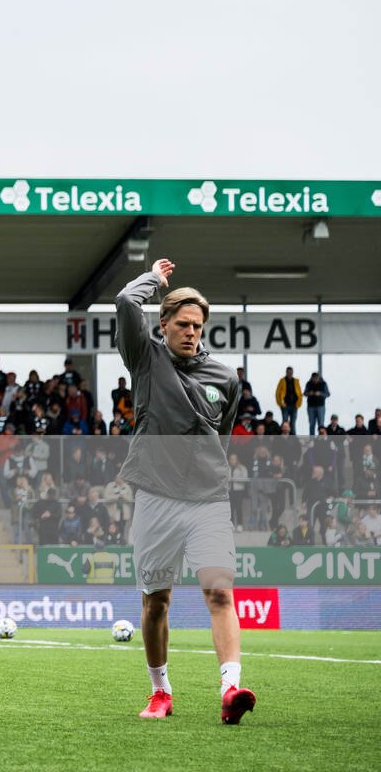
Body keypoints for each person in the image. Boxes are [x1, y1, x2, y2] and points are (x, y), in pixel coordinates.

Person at [115, 257, 253, 724]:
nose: (191, 332)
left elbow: (222, 438)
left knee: (220, 593)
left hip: (208, 500)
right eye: (182, 324)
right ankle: (161, 692)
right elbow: (125, 301)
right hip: (156, 498)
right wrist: (154, 279)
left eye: (197, 325)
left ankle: (230, 689)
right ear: (164, 324)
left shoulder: (225, 378)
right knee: (156, 601)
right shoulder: (145, 358)